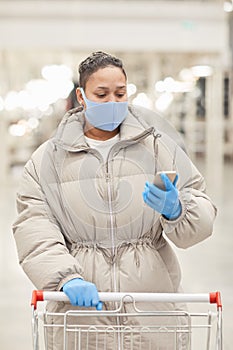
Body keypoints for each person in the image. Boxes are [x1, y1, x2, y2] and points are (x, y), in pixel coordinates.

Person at [13, 51, 217, 349]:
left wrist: (179, 211)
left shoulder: (160, 149)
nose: (112, 102)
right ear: (82, 97)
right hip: (81, 316)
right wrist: (65, 278)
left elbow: (201, 214)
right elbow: (34, 226)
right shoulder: (48, 160)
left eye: (120, 93)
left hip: (151, 308)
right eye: (102, 94)